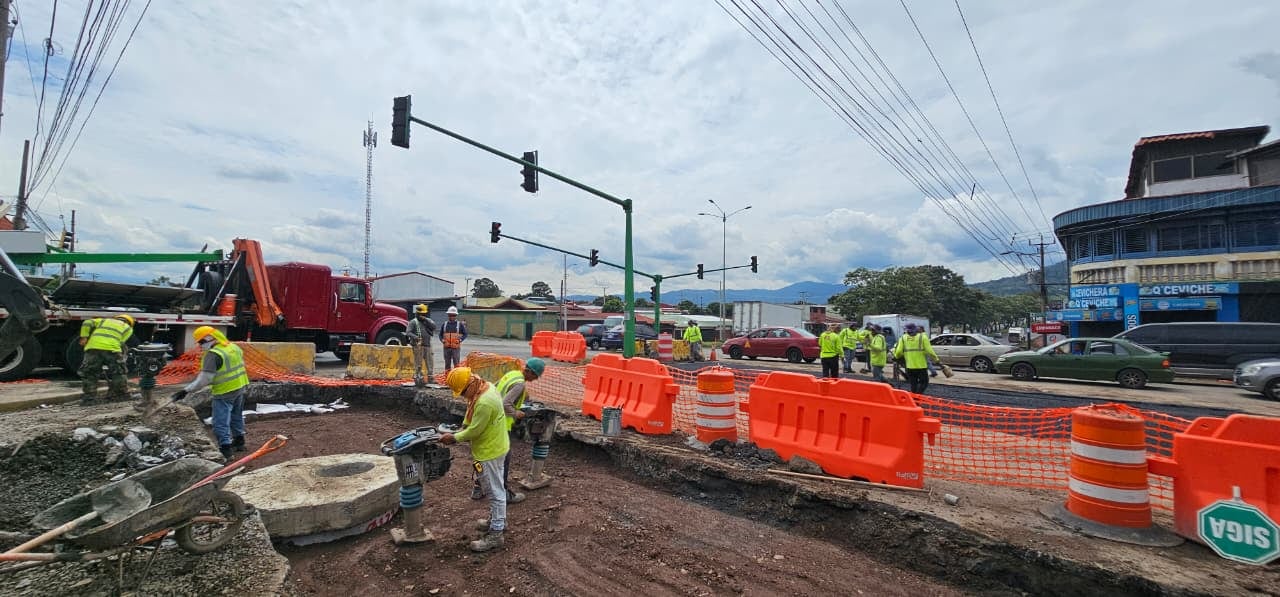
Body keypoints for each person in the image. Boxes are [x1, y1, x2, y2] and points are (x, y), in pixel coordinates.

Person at [440, 367, 510, 553]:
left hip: (489, 452)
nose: (463, 396)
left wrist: (454, 437)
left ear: (471, 383)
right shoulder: (485, 387)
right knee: (498, 488)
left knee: (494, 492)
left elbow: (475, 431)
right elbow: (471, 411)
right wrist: (463, 426)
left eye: (463, 392)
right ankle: (498, 520)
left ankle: (496, 534)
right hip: (498, 446)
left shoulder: (485, 402)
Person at [170, 326, 250, 460]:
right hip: (240, 386)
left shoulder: (213, 355)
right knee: (236, 415)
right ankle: (239, 442)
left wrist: (186, 390)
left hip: (224, 391)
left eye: (201, 342)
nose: (201, 346)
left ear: (209, 339)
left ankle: (226, 450)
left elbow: (204, 380)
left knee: (220, 421)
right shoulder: (233, 347)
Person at [78, 314, 136, 405]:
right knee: (119, 373)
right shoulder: (128, 328)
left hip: (93, 348)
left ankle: (89, 399)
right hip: (112, 350)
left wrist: (84, 337)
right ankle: (121, 395)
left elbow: (87, 322)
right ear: (130, 323)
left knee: (90, 373)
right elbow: (121, 342)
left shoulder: (103, 320)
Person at [892, 323, 941, 395]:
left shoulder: (903, 338)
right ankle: (917, 396)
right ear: (915, 329)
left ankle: (914, 398)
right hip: (921, 366)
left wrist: (896, 357)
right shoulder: (923, 337)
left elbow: (899, 351)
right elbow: (930, 351)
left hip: (910, 367)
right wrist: (937, 360)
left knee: (913, 384)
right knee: (924, 383)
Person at [407, 304, 437, 386]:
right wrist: (415, 337)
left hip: (427, 345)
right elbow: (408, 332)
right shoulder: (413, 322)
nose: (422, 316)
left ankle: (430, 378)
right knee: (418, 363)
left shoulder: (428, 321)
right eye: (420, 314)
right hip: (418, 346)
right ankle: (418, 378)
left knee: (430, 362)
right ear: (417, 314)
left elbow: (434, 327)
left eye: (423, 314)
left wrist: (426, 320)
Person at [440, 306, 468, 372]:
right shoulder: (444, 324)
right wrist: (442, 340)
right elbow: (440, 334)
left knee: (456, 363)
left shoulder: (460, 325)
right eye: (450, 315)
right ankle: (447, 377)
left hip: (455, 348)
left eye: (453, 315)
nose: (451, 317)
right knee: (447, 364)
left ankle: (456, 378)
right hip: (446, 348)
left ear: (455, 315)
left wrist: (460, 340)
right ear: (448, 315)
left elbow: (465, 334)